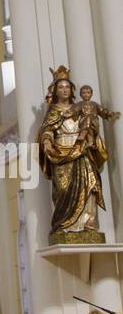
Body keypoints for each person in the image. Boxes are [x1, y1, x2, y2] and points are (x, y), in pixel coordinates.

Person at [38, 66, 108, 244]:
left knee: (89, 184)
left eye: (67, 87)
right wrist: (47, 141)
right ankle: (64, 225)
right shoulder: (53, 111)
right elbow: (47, 129)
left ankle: (88, 226)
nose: (64, 90)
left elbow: (91, 123)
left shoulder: (80, 107)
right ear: (55, 90)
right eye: (60, 87)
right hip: (61, 152)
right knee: (63, 189)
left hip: (81, 149)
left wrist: (91, 130)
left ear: (72, 90)